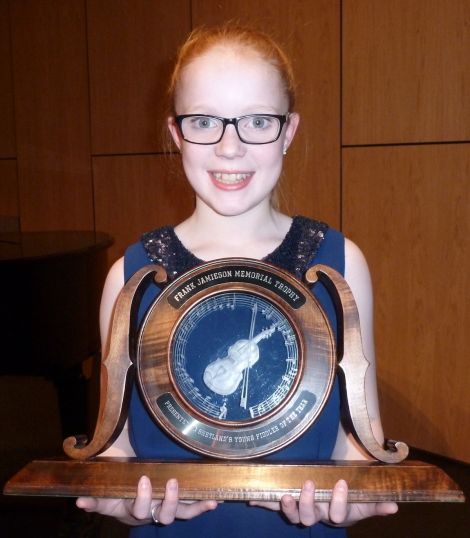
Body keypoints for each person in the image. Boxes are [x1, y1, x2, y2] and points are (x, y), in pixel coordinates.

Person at [76, 24, 398, 537]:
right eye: (204, 121)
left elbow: (359, 435)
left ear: (288, 131)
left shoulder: (340, 263)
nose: (230, 147)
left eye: (256, 121)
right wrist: (121, 497)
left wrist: (353, 489)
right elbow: (115, 448)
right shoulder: (130, 277)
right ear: (175, 132)